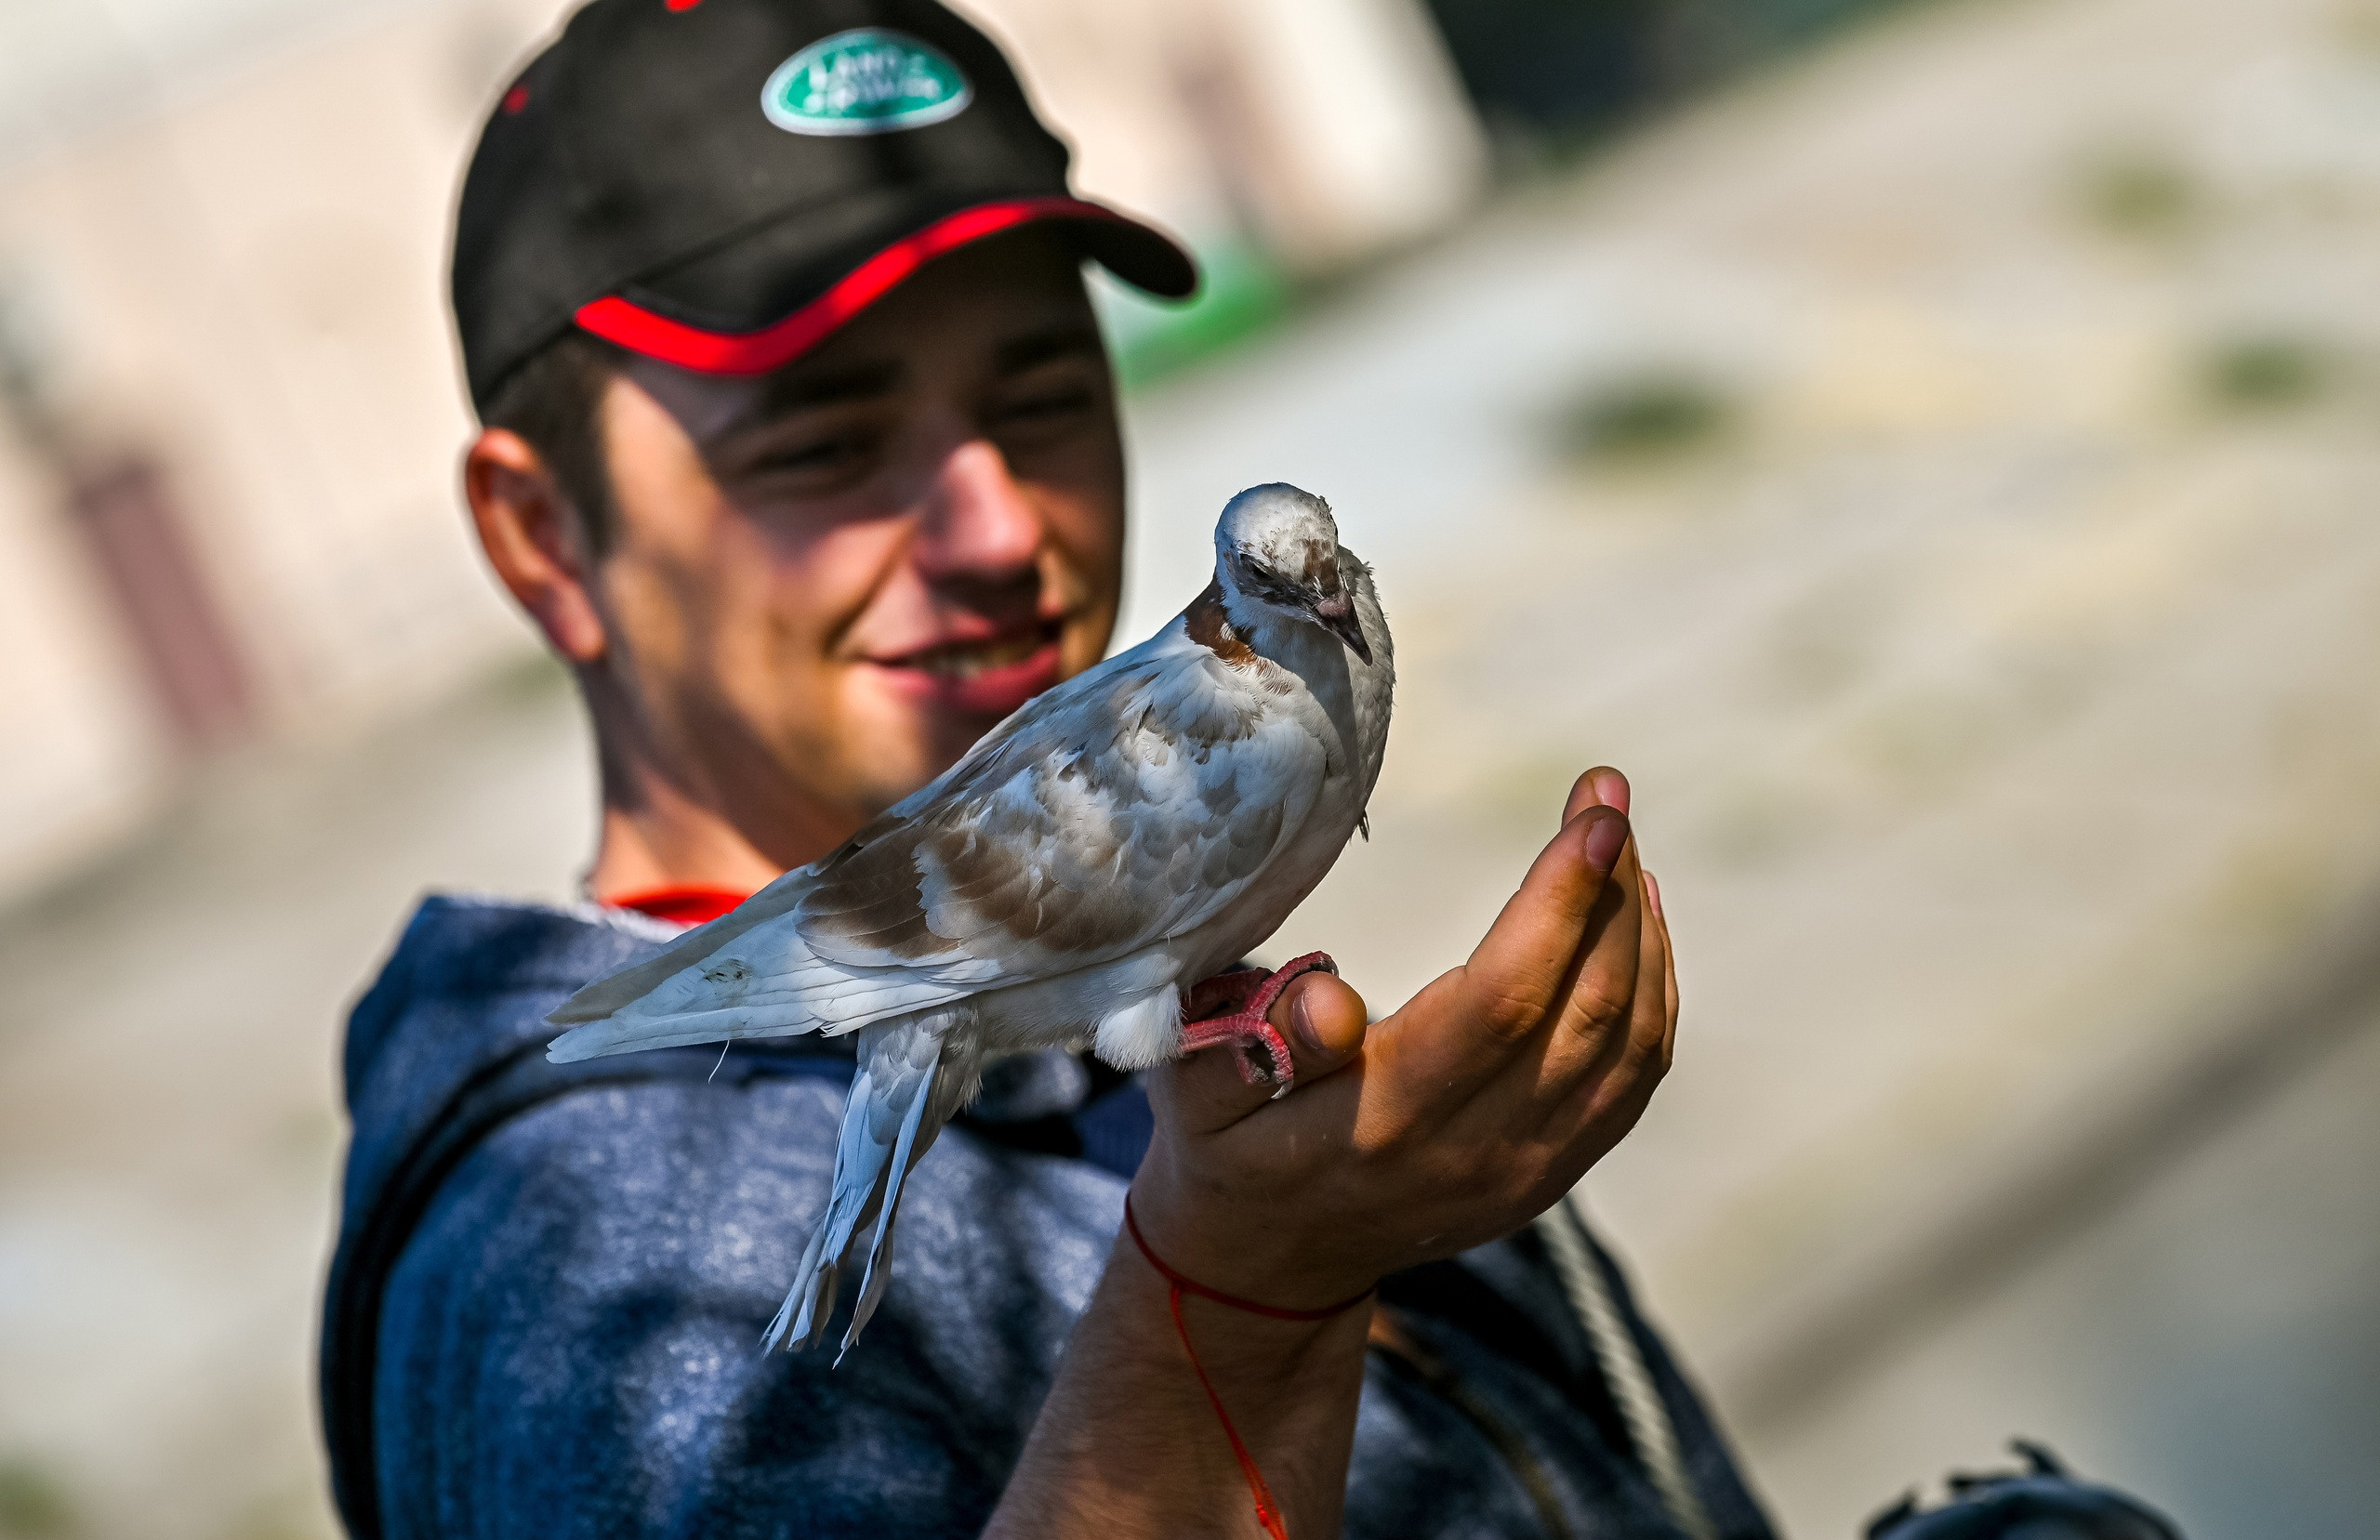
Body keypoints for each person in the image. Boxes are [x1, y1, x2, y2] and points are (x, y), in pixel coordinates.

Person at [319, 1, 1777, 1535]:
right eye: (822, 448)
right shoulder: (592, 1284)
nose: (999, 530)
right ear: (547, 540)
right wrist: (1241, 1299)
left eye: (1043, 399)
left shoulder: (1175, 859)